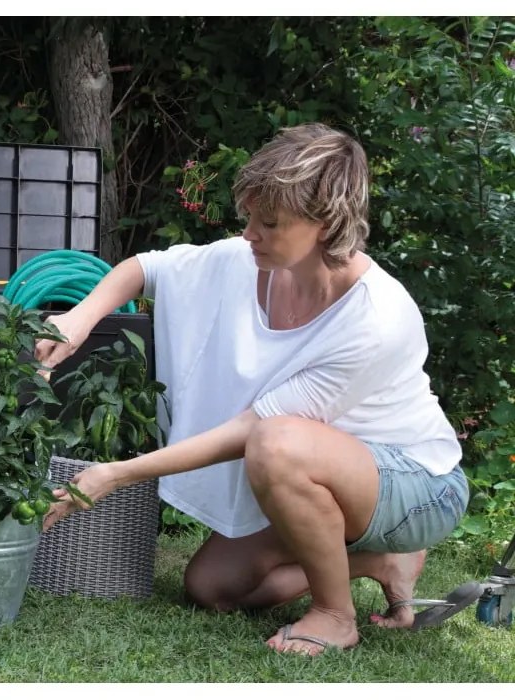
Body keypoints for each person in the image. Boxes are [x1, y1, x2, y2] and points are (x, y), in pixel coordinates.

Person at [35, 123, 468, 656]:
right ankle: (378, 561)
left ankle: (335, 616)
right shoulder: (251, 262)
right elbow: (147, 269)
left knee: (275, 443)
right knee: (210, 586)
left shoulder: (377, 318)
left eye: (270, 222)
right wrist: (76, 321)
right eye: (249, 217)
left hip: (417, 484)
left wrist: (114, 475)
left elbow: (254, 431)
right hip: (326, 474)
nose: (249, 234)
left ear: (326, 224)